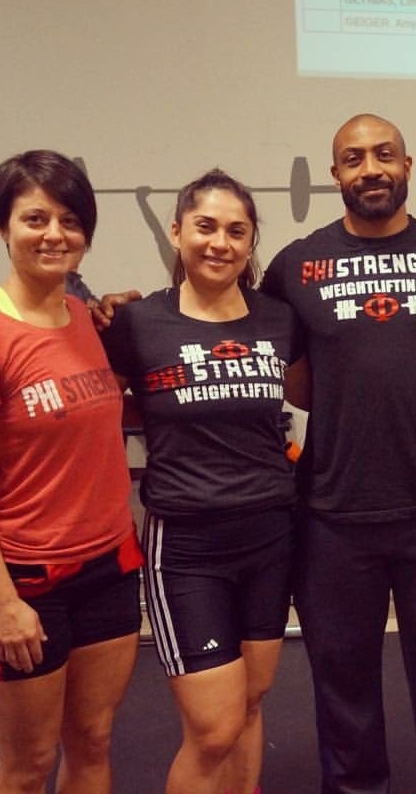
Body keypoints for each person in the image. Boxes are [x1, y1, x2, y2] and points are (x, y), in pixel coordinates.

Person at [259, 113, 416, 794]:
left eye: (383, 154)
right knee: (344, 691)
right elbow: (292, 369)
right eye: (354, 158)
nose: (370, 169)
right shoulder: (295, 265)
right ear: (335, 174)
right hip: (333, 516)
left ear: (408, 164)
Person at [0, 149, 142, 792]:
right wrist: (2, 602)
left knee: (94, 744)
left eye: (70, 220)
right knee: (27, 765)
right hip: (24, 583)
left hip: (107, 568)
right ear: (3, 227)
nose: (55, 234)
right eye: (35, 218)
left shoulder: (85, 318)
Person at [100, 169, 303, 794]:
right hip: (187, 548)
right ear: (178, 230)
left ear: (251, 243)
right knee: (213, 727)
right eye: (206, 226)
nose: (220, 242)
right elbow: (82, 399)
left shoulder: (279, 320)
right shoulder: (135, 325)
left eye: (236, 231)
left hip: (271, 537)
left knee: (248, 702)